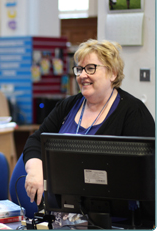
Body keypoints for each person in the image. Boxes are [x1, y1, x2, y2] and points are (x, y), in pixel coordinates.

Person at [23, 39, 155, 208]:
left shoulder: (133, 112)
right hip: (61, 211)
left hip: (113, 219)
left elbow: (147, 174)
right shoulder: (68, 105)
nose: (82, 75)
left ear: (113, 73)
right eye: (79, 69)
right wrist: (35, 170)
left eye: (90, 68)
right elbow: (35, 140)